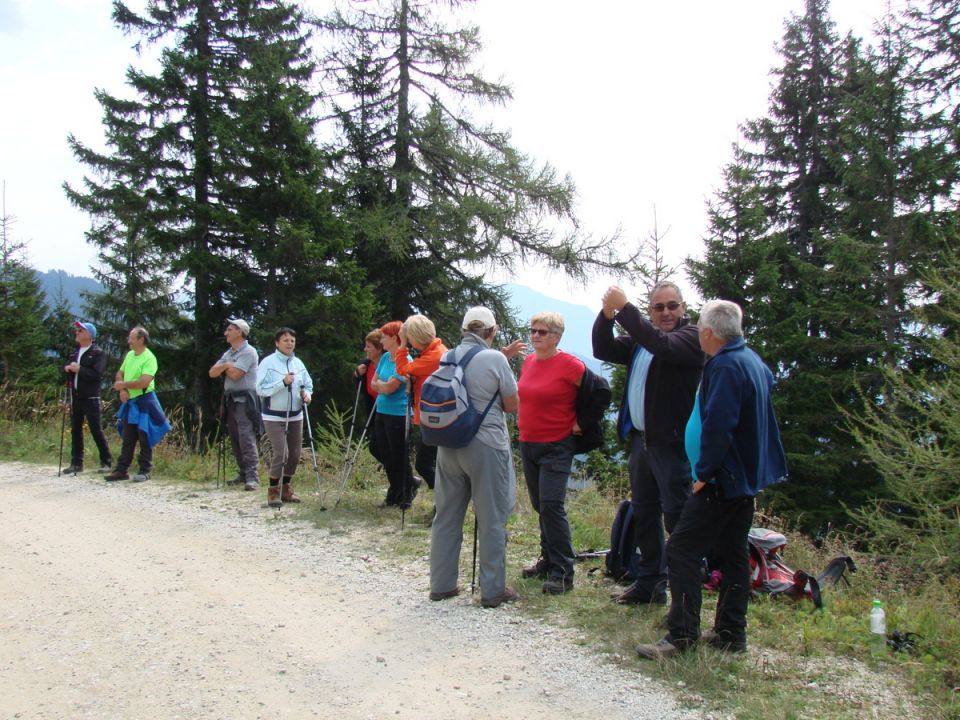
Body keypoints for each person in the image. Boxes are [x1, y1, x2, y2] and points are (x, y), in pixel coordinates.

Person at [636, 300, 788, 659]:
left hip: (723, 479)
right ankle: (731, 633)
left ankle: (682, 635)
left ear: (707, 332)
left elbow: (720, 425)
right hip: (744, 479)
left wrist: (704, 473)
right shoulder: (751, 360)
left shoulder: (726, 366)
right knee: (733, 552)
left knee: (682, 548)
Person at [592, 281, 703, 604]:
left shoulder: (690, 337)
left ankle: (684, 592)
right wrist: (607, 315)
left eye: (672, 306)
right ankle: (650, 582)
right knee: (645, 513)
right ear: (651, 311)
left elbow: (663, 347)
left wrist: (625, 309)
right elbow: (603, 349)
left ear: (684, 308)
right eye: (659, 307)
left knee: (677, 517)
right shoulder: (643, 342)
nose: (666, 312)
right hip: (643, 441)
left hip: (672, 445)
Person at [429, 306, 524, 609]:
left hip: (448, 443)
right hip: (486, 445)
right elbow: (511, 404)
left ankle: (442, 585)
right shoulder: (496, 358)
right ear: (491, 333)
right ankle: (493, 590)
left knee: (446, 515)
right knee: (492, 519)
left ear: (464, 330)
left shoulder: (449, 355)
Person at [517, 311, 584, 595]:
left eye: (542, 332)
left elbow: (598, 393)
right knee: (540, 505)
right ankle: (548, 560)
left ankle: (563, 571)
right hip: (529, 442)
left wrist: (583, 422)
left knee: (552, 505)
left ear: (557, 336)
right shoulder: (529, 361)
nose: (535, 336)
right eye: (533, 330)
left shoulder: (571, 365)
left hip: (557, 444)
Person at [256, 327, 313, 508]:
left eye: (292, 341)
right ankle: (273, 491)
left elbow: (308, 384)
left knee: (295, 455)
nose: (290, 343)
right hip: (273, 416)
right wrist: (282, 383)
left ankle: (286, 488)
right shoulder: (268, 363)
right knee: (281, 453)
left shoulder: (298, 363)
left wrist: (307, 396)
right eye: (286, 340)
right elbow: (260, 389)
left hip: (296, 414)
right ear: (277, 343)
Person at [105, 326, 170, 482]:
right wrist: (122, 389)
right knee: (128, 436)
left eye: (132, 338)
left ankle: (145, 470)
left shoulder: (149, 358)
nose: (129, 341)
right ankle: (122, 470)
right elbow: (120, 372)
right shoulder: (130, 355)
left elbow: (144, 382)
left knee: (144, 435)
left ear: (141, 340)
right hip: (131, 401)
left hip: (145, 400)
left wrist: (123, 385)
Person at [393, 314, 448, 493]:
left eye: (408, 337)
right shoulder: (438, 350)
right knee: (435, 464)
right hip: (436, 415)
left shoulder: (432, 357)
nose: (407, 341)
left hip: (433, 417)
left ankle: (445, 501)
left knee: (424, 464)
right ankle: (442, 504)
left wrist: (401, 346)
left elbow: (402, 369)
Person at [209, 318, 261, 492]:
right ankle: (243, 473)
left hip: (245, 399)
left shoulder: (248, 351)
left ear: (239, 331)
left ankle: (253, 476)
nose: (226, 333)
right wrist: (227, 365)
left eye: (230, 329)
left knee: (246, 436)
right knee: (235, 436)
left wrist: (225, 368)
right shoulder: (229, 353)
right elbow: (212, 373)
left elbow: (237, 375)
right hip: (231, 399)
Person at [371, 321, 415, 508]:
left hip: (398, 413)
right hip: (382, 411)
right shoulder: (385, 358)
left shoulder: (405, 360)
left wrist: (382, 385)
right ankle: (401, 486)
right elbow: (375, 383)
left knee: (397, 455)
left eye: (384, 336)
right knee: (379, 450)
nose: (381, 339)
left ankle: (402, 492)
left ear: (394, 338)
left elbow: (389, 388)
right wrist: (382, 384)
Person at [62, 320, 113, 475]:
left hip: (91, 397)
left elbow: (97, 375)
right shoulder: (74, 353)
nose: (77, 333)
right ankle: (76, 463)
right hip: (76, 396)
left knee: (96, 429)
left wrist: (79, 369)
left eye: (80, 331)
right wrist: (67, 370)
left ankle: (106, 462)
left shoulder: (98, 353)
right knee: (76, 430)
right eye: (77, 330)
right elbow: (67, 374)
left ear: (89, 335)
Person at [354, 329, 384, 465]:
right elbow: (359, 385)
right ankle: (403, 478)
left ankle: (403, 479)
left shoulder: (389, 362)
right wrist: (357, 373)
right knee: (376, 448)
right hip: (374, 410)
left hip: (388, 410)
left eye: (369, 346)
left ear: (378, 348)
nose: (365, 349)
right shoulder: (366, 364)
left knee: (381, 447)